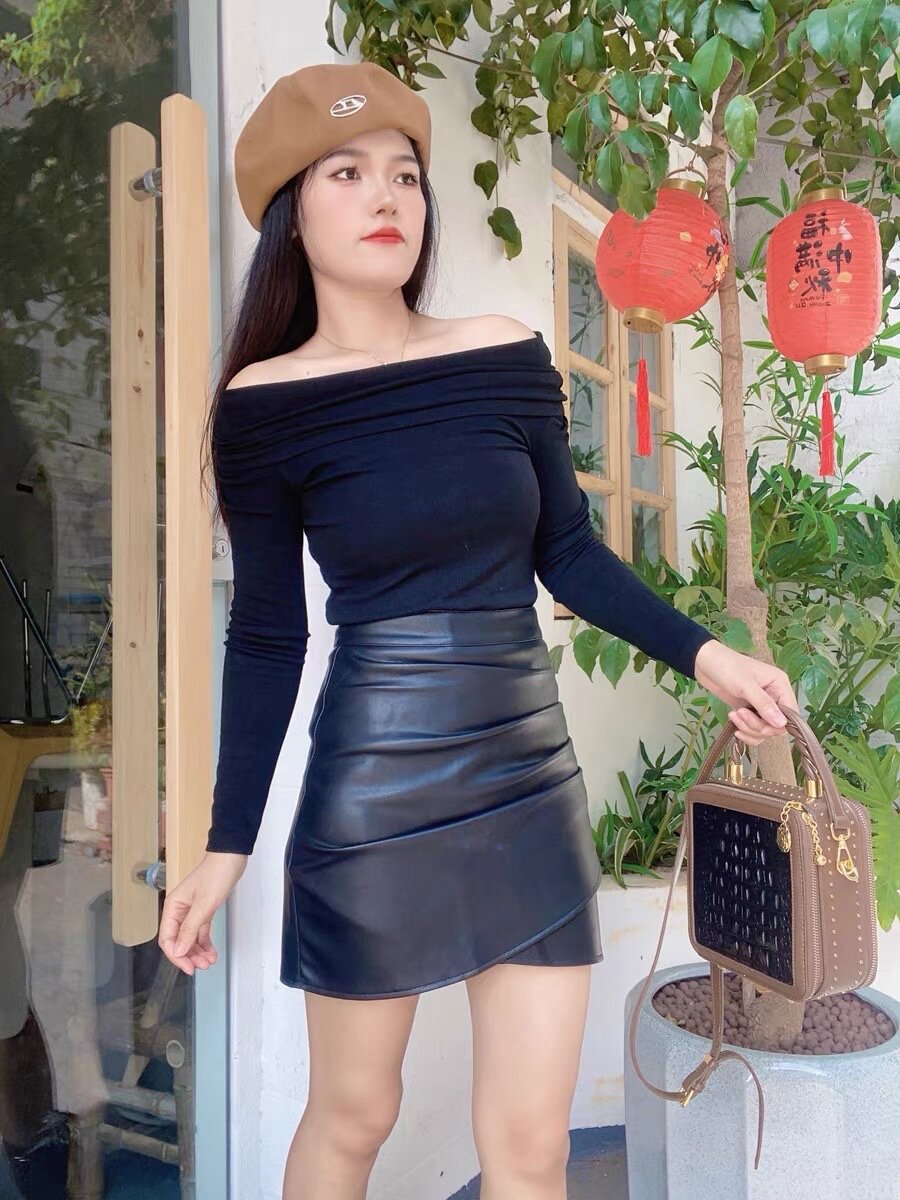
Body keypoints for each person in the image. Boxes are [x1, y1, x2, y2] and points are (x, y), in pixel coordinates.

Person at [158, 60, 798, 1200]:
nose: (385, 195)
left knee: (531, 1147)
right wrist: (224, 847)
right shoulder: (262, 405)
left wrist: (715, 659)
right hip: (372, 785)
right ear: (291, 216)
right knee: (354, 1117)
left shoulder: (504, 353)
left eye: (404, 174)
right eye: (346, 174)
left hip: (525, 773)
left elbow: (570, 553)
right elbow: (265, 635)